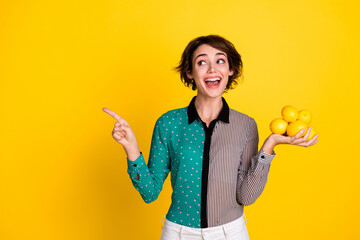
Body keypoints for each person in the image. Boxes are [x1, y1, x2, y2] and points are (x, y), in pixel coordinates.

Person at [103, 35, 319, 240]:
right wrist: (131, 149)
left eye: (220, 60)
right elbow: (149, 192)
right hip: (178, 234)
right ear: (190, 72)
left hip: (230, 233)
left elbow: (246, 196)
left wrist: (269, 147)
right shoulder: (168, 123)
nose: (212, 68)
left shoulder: (246, 125)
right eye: (202, 62)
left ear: (231, 70)